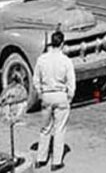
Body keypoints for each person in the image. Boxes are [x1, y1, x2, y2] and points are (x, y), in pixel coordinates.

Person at [33, 30, 76, 170]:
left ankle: (41, 158)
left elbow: (36, 80)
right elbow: (71, 83)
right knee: (59, 129)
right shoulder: (66, 61)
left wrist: (40, 92)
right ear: (62, 44)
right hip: (60, 95)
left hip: (46, 95)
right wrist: (69, 97)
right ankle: (56, 161)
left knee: (45, 129)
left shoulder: (42, 59)